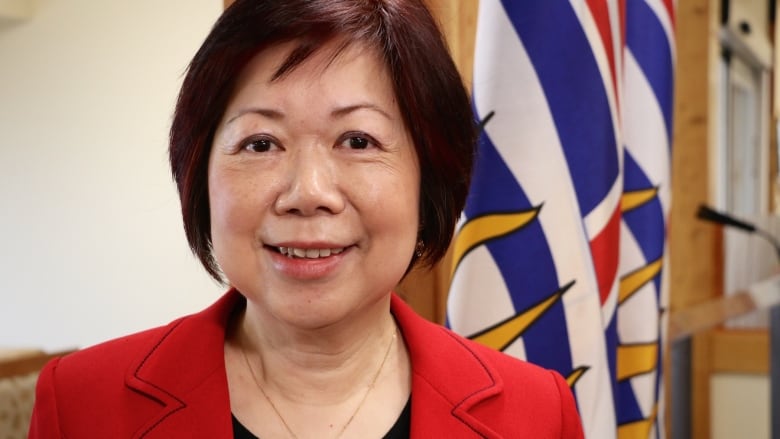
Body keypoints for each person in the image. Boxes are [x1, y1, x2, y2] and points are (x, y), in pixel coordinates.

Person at [29, 0, 585, 437]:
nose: (308, 193)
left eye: (358, 140)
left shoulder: (536, 413)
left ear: (429, 179)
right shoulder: (80, 403)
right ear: (199, 174)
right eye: (261, 142)